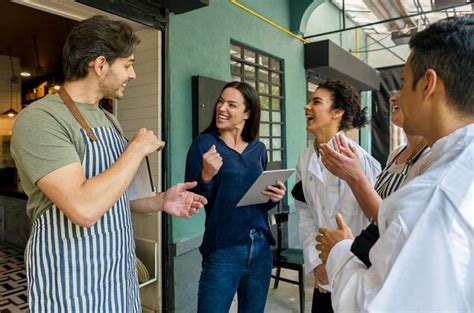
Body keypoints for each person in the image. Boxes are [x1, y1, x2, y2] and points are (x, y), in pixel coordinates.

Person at [11, 15, 207, 312]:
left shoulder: (109, 120)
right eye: (127, 64)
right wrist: (136, 150)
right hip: (70, 281)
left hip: (117, 275)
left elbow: (119, 197)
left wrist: (160, 200)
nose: (133, 75)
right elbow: (84, 208)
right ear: (100, 65)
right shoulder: (41, 119)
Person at [316, 16, 474, 312]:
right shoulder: (442, 166)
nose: (396, 95)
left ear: (427, 84)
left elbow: (375, 303)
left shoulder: (432, 196)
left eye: (403, 81)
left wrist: (339, 252)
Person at [185, 81, 286, 313]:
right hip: (223, 248)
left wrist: (273, 197)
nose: (222, 108)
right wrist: (206, 176)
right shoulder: (203, 145)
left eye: (231, 104)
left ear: (247, 113)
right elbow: (191, 199)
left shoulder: (258, 148)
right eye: (221, 101)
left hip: (260, 247)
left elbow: (257, 201)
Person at [293, 80, 380, 313]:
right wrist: (316, 261)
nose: (307, 107)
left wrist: (338, 262)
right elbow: (305, 213)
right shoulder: (304, 159)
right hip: (322, 271)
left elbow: (374, 222)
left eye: (316, 102)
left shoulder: (361, 161)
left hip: (354, 271)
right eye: (310, 100)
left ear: (337, 112)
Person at [318, 91, 431, 266]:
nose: (393, 98)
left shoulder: (430, 159)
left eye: (405, 87)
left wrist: (355, 177)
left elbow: (399, 226)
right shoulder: (396, 154)